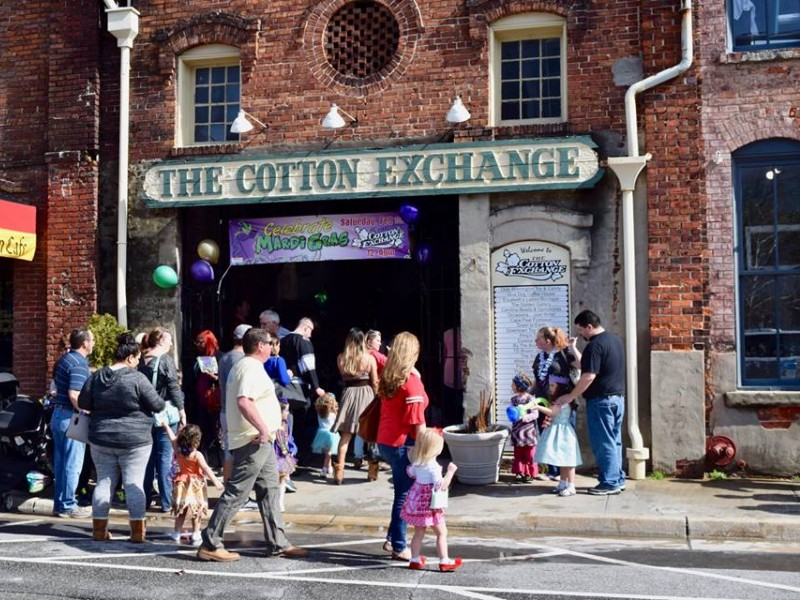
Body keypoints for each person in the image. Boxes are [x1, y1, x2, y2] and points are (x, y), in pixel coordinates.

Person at [196, 327, 307, 562]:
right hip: (253, 439)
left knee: (269, 490)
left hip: (258, 440)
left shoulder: (248, 366)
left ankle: (277, 542)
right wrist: (263, 428)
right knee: (237, 491)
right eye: (269, 343)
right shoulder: (250, 368)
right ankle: (210, 542)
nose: (272, 347)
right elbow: (244, 401)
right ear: (260, 346)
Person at [77, 333, 165, 543]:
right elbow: (158, 405)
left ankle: (99, 530)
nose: (137, 363)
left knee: (104, 481)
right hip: (135, 440)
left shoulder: (97, 376)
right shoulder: (136, 378)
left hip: (101, 438)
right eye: (136, 359)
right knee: (133, 483)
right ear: (129, 358)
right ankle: (137, 533)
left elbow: (83, 402)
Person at [556, 310, 626, 495]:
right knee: (614, 441)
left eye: (581, 330)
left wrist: (571, 395)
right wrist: (573, 348)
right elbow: (586, 365)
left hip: (601, 401)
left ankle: (610, 483)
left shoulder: (595, 346)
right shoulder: (614, 340)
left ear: (589, 326)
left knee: (603, 443)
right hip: (617, 399)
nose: (581, 334)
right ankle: (618, 479)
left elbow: (588, 375)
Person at [376, 331, 429, 561]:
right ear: (413, 353)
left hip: (385, 439)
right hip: (402, 443)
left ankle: (392, 537)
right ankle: (399, 545)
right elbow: (417, 423)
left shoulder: (390, 377)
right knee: (404, 495)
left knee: (401, 490)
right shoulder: (412, 383)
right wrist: (425, 451)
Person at [138, 327, 186, 513]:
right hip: (165, 414)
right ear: (160, 342)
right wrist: (182, 410)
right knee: (165, 457)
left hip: (145, 414)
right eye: (169, 340)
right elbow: (174, 388)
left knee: (148, 459)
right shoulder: (165, 361)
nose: (171, 344)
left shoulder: (141, 360)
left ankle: (145, 500)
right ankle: (166, 502)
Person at [399, 429, 461, 572]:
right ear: (435, 449)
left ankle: (414, 559)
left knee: (418, 533)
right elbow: (441, 486)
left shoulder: (418, 462)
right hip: (430, 506)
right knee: (441, 533)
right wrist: (450, 472)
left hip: (417, 503)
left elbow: (410, 473)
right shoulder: (434, 467)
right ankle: (444, 560)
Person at [51, 328, 95, 519]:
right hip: (72, 418)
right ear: (84, 343)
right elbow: (74, 394)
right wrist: (86, 411)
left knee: (61, 463)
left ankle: (60, 503)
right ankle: (69, 504)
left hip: (59, 415)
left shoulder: (65, 359)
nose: (93, 343)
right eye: (91, 340)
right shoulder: (79, 363)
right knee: (73, 464)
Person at [531, 326, 580, 480]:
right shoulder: (539, 357)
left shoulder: (563, 354)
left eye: (538, 338)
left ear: (547, 340)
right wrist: (528, 394)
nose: (535, 340)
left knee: (563, 438)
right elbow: (538, 380)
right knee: (547, 437)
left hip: (561, 403)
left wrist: (573, 347)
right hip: (542, 402)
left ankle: (564, 474)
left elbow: (581, 365)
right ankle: (552, 471)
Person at [162, 422, 222, 545]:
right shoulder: (197, 455)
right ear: (197, 441)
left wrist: (166, 426)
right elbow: (206, 468)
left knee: (181, 510)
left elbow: (171, 437)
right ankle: (196, 533)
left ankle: (176, 532)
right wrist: (216, 481)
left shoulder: (177, 449)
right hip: (195, 485)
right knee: (197, 509)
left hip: (181, 483)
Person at [331, 328, 378, 484]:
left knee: (345, 436)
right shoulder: (369, 358)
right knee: (371, 434)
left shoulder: (340, 358)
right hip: (366, 394)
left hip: (348, 394)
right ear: (362, 341)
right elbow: (375, 381)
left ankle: (339, 472)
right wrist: (378, 397)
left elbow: (344, 377)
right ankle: (372, 471)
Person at [279, 317, 325, 456]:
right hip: (299, 389)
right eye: (310, 331)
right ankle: (296, 457)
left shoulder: (283, 340)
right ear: (305, 328)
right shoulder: (303, 342)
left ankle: (285, 455)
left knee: (286, 423)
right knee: (299, 426)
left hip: (284, 387)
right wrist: (316, 386)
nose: (311, 335)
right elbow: (308, 366)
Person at [535, 376, 582, 496]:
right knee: (561, 458)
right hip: (558, 430)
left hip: (564, 432)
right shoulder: (558, 399)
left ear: (560, 387)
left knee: (568, 460)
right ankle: (562, 483)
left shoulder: (563, 399)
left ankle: (571, 486)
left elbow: (552, 412)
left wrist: (536, 406)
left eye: (552, 385)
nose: (549, 388)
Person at [218, 324, 251, 483]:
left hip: (225, 409)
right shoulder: (241, 360)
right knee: (240, 452)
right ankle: (237, 492)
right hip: (237, 411)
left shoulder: (224, 357)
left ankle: (227, 487)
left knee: (228, 451)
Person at [193, 330, 221, 463]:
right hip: (200, 401)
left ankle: (220, 462)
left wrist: (214, 378)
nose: (198, 345)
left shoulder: (219, 357)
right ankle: (205, 461)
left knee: (217, 433)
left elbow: (224, 379)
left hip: (214, 401)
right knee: (202, 431)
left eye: (201, 342)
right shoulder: (197, 358)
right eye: (197, 341)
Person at [508, 373, 539, 483]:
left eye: (513, 384)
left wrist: (525, 417)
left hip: (529, 432)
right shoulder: (514, 399)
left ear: (519, 386)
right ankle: (519, 472)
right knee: (518, 453)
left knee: (530, 453)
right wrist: (512, 415)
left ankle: (529, 473)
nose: (511, 386)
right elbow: (512, 414)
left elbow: (535, 414)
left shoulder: (530, 399)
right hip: (517, 432)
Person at [274, 398, 297, 512]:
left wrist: (293, 448)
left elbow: (289, 438)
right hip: (274, 455)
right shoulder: (273, 425)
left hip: (284, 455)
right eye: (286, 410)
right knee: (273, 481)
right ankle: (274, 501)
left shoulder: (286, 424)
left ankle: (280, 502)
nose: (287, 413)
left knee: (282, 479)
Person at [311, 392, 340, 478]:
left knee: (327, 453)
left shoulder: (320, 413)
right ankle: (324, 469)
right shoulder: (333, 414)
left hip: (321, 434)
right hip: (331, 435)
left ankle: (329, 467)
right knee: (328, 454)